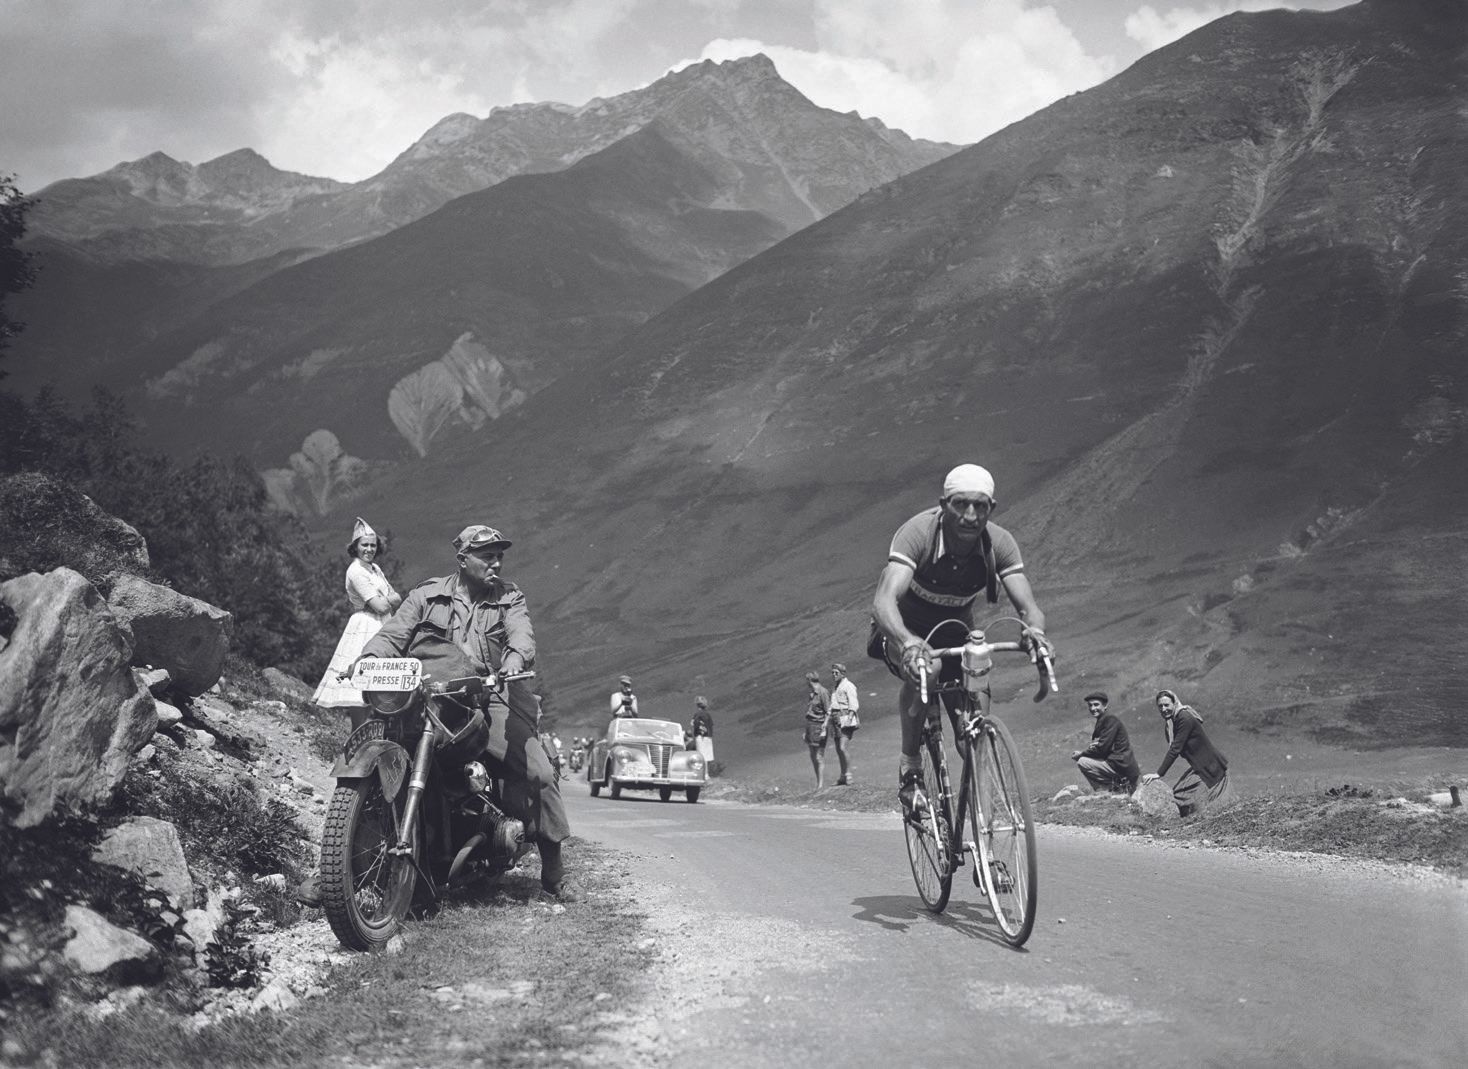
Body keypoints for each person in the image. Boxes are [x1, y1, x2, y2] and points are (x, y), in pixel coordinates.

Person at [359, 523, 573, 898]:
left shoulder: (509, 596)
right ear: (462, 559)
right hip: (435, 696)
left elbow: (521, 634)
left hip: (491, 696)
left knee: (537, 772)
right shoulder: (427, 596)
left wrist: (512, 660)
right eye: (487, 556)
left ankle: (553, 865)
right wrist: (371, 657)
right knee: (384, 759)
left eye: (499, 556)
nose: (496, 563)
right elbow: (394, 635)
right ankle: (344, 864)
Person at [871, 464, 1054, 815]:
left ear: (992, 508)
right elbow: (883, 601)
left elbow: (1029, 607)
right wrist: (908, 642)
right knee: (929, 668)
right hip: (901, 630)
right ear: (944, 504)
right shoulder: (917, 534)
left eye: (980, 506)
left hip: (955, 632)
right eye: (960, 504)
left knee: (973, 729)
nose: (970, 516)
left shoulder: (999, 543)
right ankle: (910, 766)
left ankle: (985, 833)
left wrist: (1036, 634)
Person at [310, 517, 401, 730]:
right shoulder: (356, 571)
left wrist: (388, 600)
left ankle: (372, 734)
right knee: (360, 679)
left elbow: (393, 598)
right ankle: (358, 733)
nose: (369, 549)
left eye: (373, 545)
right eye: (364, 545)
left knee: (378, 681)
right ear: (355, 547)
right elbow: (380, 605)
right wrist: (389, 600)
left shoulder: (375, 569)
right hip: (365, 624)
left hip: (383, 625)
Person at [1143, 690, 1232, 816]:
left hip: (1211, 767)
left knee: (1183, 798)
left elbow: (1175, 749)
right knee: (1180, 795)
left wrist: (1158, 774)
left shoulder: (1184, 718)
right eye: (1160, 706)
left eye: (1167, 705)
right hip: (1201, 766)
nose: (1163, 709)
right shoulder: (1173, 721)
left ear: (1174, 703)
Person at [1070, 691, 1140, 794]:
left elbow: (1102, 749)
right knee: (1088, 757)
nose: (1093, 708)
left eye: (1096, 704)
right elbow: (1104, 745)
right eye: (1090, 705)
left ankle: (1107, 791)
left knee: (1082, 761)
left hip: (1121, 766)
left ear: (1105, 705)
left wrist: (1082, 753)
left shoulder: (1110, 719)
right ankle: (1114, 788)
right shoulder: (1104, 719)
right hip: (1118, 764)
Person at [827, 663, 860, 785]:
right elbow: (832, 704)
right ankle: (842, 775)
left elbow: (853, 703)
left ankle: (849, 775)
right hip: (835, 717)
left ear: (842, 673)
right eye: (833, 673)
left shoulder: (848, 686)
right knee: (838, 748)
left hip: (845, 716)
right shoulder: (835, 687)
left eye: (836, 673)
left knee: (842, 747)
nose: (834, 675)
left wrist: (850, 717)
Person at [803, 670, 832, 787]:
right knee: (812, 754)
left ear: (810, 681)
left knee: (818, 755)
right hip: (810, 725)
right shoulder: (812, 694)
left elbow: (828, 711)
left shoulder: (822, 692)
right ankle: (817, 782)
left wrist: (824, 727)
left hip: (819, 725)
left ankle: (820, 784)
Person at [689, 696, 715, 763]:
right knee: (707, 757)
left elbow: (694, 723)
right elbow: (711, 724)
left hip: (700, 737)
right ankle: (706, 772)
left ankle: (703, 772)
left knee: (701, 757)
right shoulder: (708, 714)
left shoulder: (697, 714)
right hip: (708, 736)